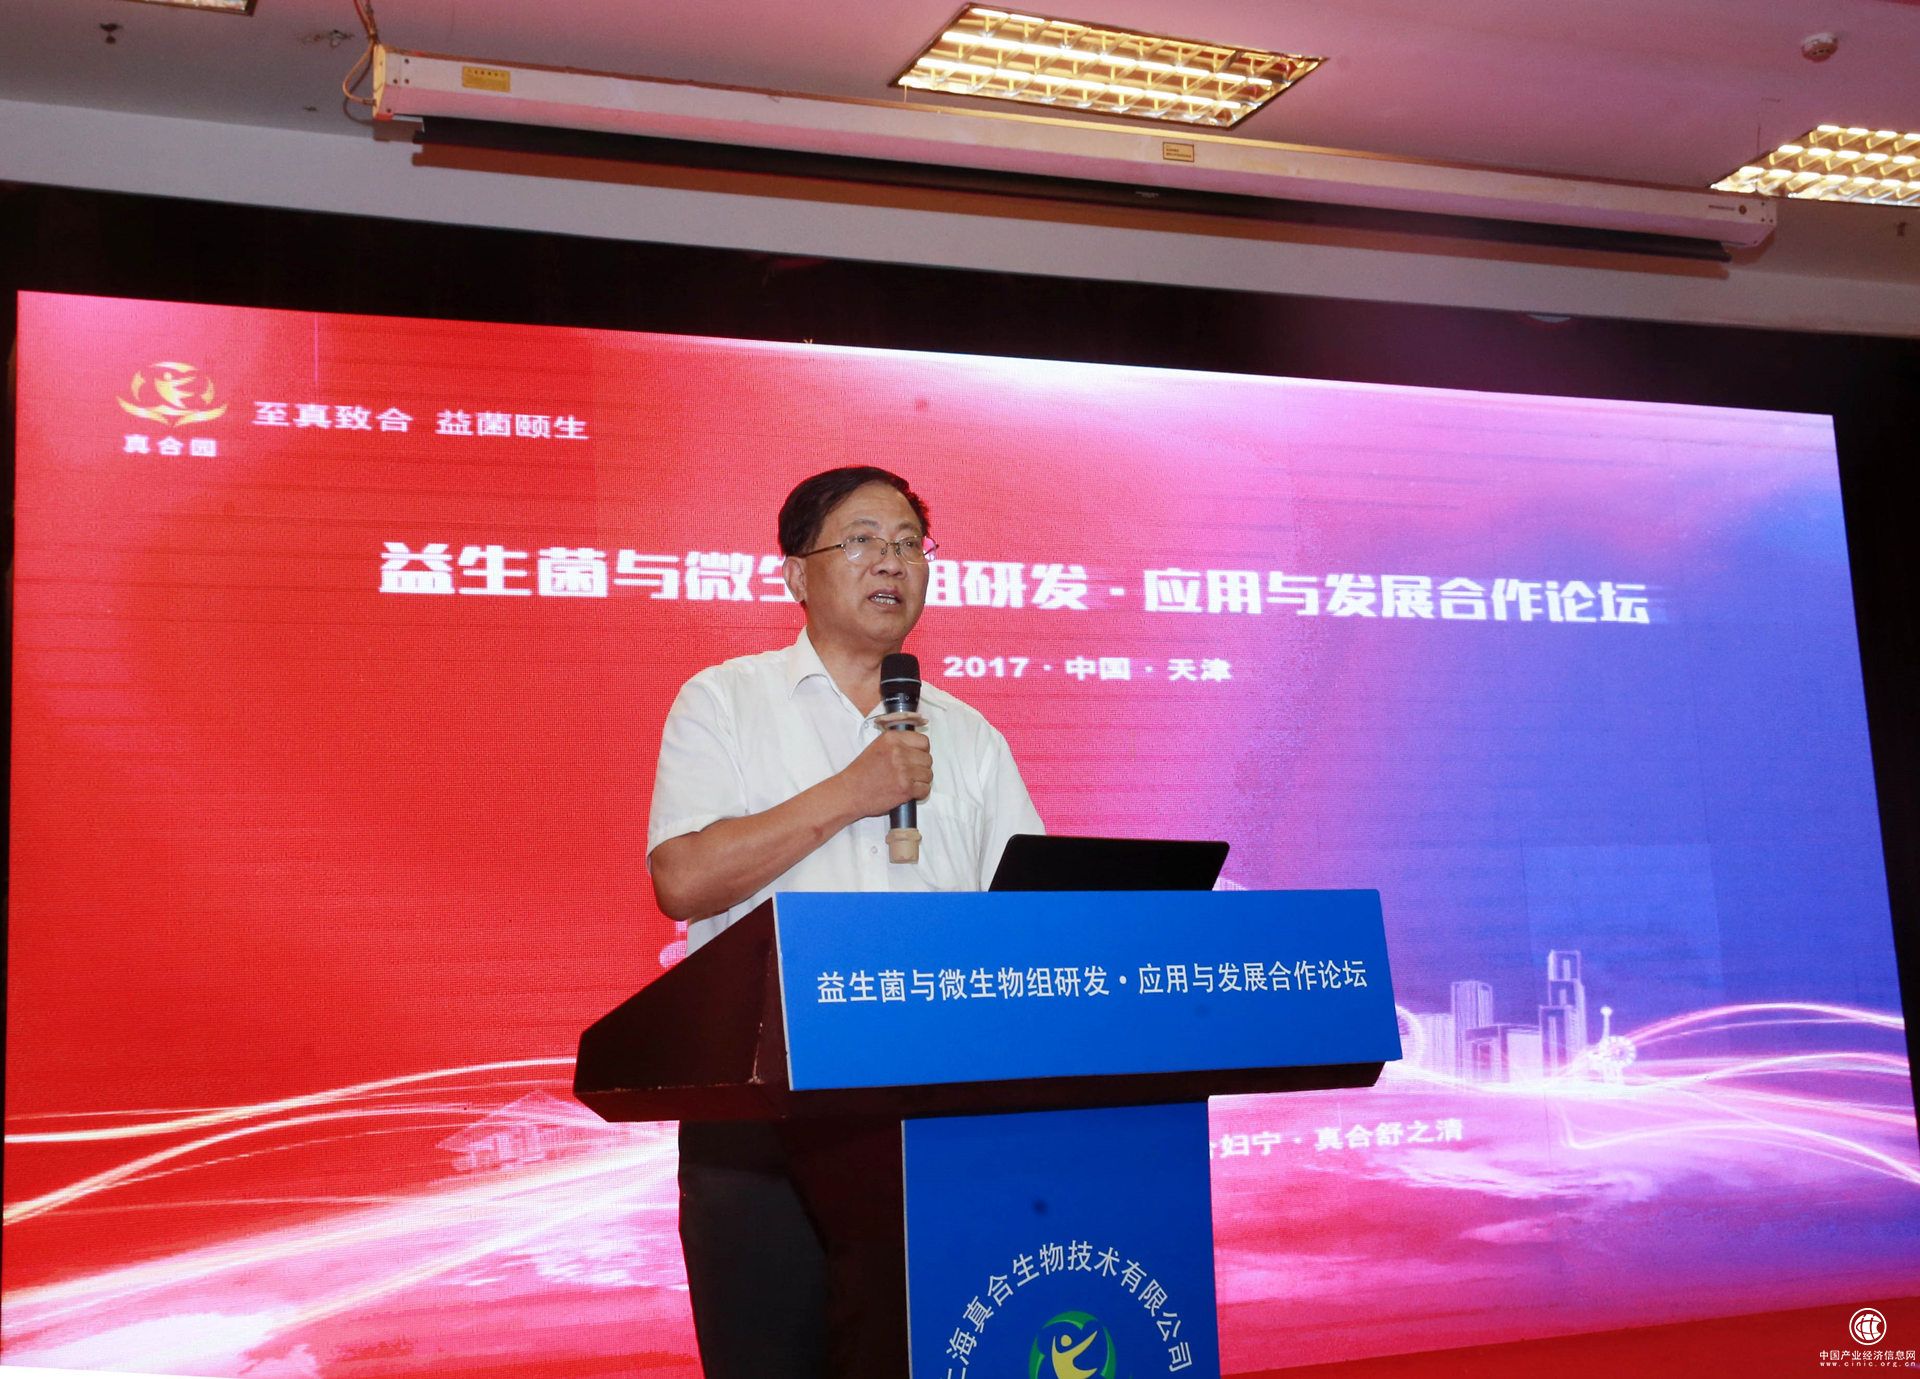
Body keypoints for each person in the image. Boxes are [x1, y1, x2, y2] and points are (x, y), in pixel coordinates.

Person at [646, 466, 1043, 1378]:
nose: (891, 562)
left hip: (929, 1107)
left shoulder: (970, 735)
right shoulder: (724, 700)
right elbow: (683, 877)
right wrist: (854, 791)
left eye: (908, 544)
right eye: (861, 540)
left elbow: (1027, 915)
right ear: (796, 573)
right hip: (763, 1109)